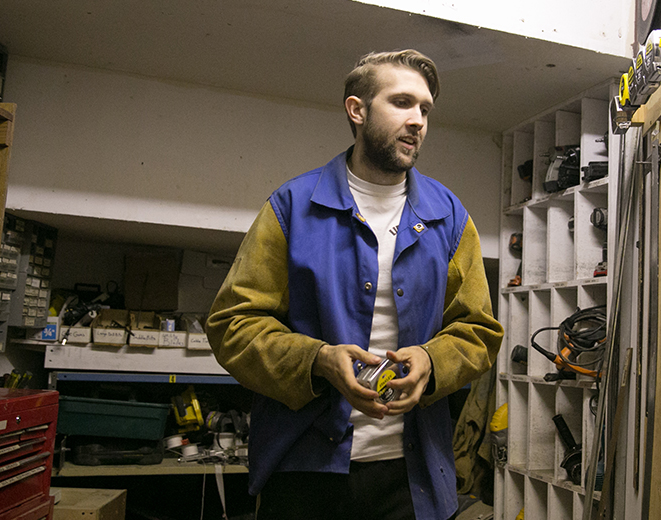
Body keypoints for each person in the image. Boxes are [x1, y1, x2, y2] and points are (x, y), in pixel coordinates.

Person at [207, 49, 503, 520]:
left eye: (425, 109)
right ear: (357, 110)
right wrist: (318, 360)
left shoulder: (449, 216)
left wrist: (431, 360)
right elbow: (232, 325)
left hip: (412, 479)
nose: (418, 120)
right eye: (402, 102)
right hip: (304, 472)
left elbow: (479, 332)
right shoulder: (293, 207)